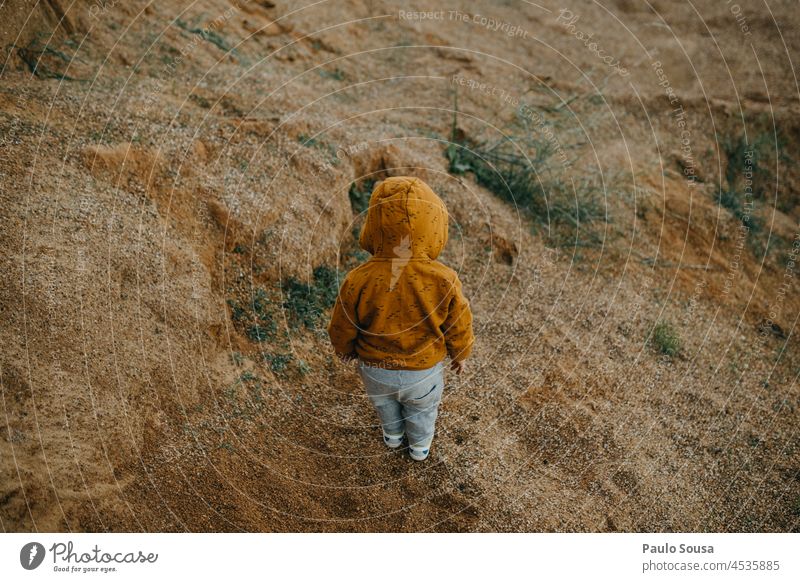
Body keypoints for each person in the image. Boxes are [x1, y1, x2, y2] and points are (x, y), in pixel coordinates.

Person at [327, 176, 474, 461]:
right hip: (422, 373)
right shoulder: (443, 279)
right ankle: (419, 447)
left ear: (374, 227)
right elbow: (459, 322)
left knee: (384, 404)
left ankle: (392, 436)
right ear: (433, 227)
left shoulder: (358, 278)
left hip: (375, 370)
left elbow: (342, 322)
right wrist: (461, 353)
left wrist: (343, 348)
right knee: (422, 410)